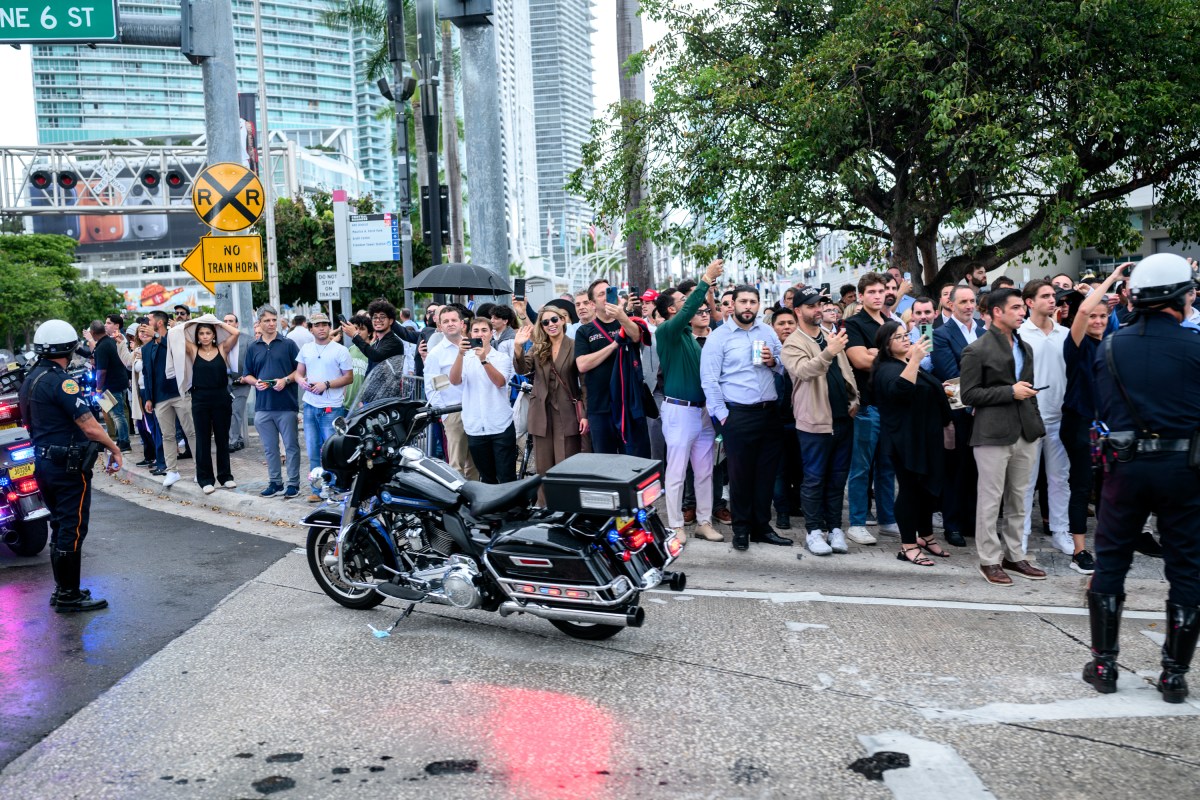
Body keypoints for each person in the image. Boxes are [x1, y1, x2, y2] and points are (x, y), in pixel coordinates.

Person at [1081, 253, 1200, 702]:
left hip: (1125, 467)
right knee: (1186, 566)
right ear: (1178, 297)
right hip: (1184, 468)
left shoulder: (1112, 346)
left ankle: (1103, 664)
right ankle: (1174, 675)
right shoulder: (1196, 346)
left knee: (1111, 561)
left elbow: (1104, 408)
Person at [19, 319, 122, 613]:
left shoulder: (31, 378)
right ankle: (69, 595)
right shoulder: (61, 381)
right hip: (66, 466)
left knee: (59, 524)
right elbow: (89, 425)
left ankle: (63, 590)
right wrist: (114, 448)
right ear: (68, 346)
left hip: (44, 462)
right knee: (73, 527)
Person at [959, 288, 1047, 586]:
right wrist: (1010, 391)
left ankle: (1014, 555)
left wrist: (1035, 424)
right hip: (992, 434)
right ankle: (989, 560)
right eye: (1017, 308)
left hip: (1025, 431)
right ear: (997, 311)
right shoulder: (977, 349)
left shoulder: (1025, 346)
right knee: (990, 501)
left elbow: (1029, 388)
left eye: (1023, 308)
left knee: (1020, 499)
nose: (1022, 312)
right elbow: (969, 394)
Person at [700, 284, 790, 551]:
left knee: (766, 474)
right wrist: (724, 416)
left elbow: (785, 364)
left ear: (758, 304)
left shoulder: (767, 332)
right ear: (734, 304)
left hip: (769, 412)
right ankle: (741, 530)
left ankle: (761, 527)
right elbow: (709, 380)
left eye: (753, 302)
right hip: (737, 414)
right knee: (740, 476)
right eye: (743, 302)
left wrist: (774, 362)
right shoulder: (719, 337)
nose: (748, 306)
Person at [782, 287, 861, 554]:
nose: (817, 309)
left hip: (842, 420)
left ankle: (835, 528)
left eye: (820, 304)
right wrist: (829, 351)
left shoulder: (830, 336)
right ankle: (814, 531)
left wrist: (854, 401)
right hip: (814, 422)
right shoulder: (793, 342)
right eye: (812, 305)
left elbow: (846, 372)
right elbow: (804, 371)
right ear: (798, 310)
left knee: (838, 479)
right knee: (814, 478)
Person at [655, 260, 725, 544]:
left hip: (703, 413)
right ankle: (676, 526)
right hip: (679, 411)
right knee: (675, 472)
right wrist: (706, 279)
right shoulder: (667, 332)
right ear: (672, 310)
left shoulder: (693, 338)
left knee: (705, 470)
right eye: (684, 301)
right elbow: (688, 309)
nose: (693, 306)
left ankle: (704, 522)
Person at [872, 321, 952, 567]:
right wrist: (916, 359)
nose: (905, 339)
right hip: (904, 440)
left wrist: (941, 388)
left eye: (906, 335)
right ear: (887, 344)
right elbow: (901, 391)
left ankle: (925, 536)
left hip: (926, 437)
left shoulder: (906, 363)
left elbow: (924, 387)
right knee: (910, 490)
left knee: (927, 489)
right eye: (898, 337)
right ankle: (907, 544)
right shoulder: (886, 368)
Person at [1016, 280, 1079, 565]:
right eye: (1046, 296)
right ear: (1030, 302)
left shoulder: (1066, 333)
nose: (1053, 300)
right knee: (1025, 482)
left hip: (1060, 417)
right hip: (1028, 418)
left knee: (1059, 478)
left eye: (1054, 296)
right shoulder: (1019, 333)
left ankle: (1060, 530)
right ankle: (1022, 534)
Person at [513, 299, 588, 500]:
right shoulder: (539, 347)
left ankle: (568, 508)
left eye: (554, 319)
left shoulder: (574, 346)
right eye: (545, 322)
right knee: (543, 469)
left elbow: (584, 383)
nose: (551, 325)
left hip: (567, 414)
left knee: (567, 466)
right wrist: (518, 348)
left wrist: (585, 415)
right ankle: (545, 511)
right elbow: (522, 368)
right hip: (541, 414)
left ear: (563, 320)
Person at [931, 285, 987, 547]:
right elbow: (950, 373)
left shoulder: (984, 331)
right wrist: (972, 402)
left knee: (978, 469)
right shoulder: (940, 334)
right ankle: (952, 524)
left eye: (972, 301)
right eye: (962, 301)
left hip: (985, 411)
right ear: (951, 305)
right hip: (958, 411)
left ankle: (971, 521)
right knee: (956, 469)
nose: (968, 306)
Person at [843, 272, 897, 544]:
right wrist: (889, 354)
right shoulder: (853, 323)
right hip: (866, 405)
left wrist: (877, 354)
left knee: (887, 467)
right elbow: (860, 360)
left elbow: (907, 355)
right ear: (861, 295)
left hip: (890, 405)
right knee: (861, 467)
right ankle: (857, 522)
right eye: (872, 292)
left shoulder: (891, 323)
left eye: (882, 291)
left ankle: (887, 519)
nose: (878, 296)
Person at [575, 279, 651, 457]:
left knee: (635, 460)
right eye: (601, 294)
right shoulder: (584, 331)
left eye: (610, 291)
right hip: (600, 407)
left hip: (628, 404)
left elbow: (635, 336)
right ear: (593, 304)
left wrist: (621, 316)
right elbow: (582, 364)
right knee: (605, 462)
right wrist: (613, 346)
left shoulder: (626, 322)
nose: (606, 296)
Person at [241, 306, 301, 498]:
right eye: (267, 320)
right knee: (270, 449)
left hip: (286, 405)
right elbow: (246, 374)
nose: (271, 323)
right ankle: (275, 483)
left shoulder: (289, 344)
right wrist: (255, 382)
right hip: (263, 407)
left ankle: (293, 484)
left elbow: (300, 371)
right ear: (259, 323)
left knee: (291, 446)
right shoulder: (253, 347)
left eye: (274, 320)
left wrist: (286, 380)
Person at [295, 313, 353, 501]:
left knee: (332, 450)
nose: (321, 328)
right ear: (310, 328)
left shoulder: (340, 350)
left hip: (331, 407)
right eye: (317, 325)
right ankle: (317, 489)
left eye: (325, 324)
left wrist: (326, 384)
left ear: (330, 327)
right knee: (312, 449)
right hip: (310, 405)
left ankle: (334, 487)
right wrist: (302, 382)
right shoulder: (306, 348)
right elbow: (298, 373)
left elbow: (348, 377)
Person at [450, 316, 516, 484]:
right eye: (476, 331)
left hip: (500, 425)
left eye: (484, 330)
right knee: (486, 477)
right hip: (475, 427)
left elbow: (500, 382)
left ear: (491, 333)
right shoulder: (465, 358)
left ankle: (512, 510)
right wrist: (460, 354)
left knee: (506, 476)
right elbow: (454, 380)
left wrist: (484, 359)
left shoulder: (501, 358)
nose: (480, 334)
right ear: (470, 334)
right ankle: (492, 510)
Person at [142, 310, 197, 488]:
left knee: (191, 432)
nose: (145, 323)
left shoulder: (173, 339)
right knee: (167, 435)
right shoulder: (146, 348)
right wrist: (148, 398)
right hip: (159, 398)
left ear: (158, 323)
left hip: (179, 393)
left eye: (149, 320)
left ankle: (200, 469)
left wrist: (158, 336)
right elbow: (147, 373)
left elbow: (178, 353)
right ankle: (172, 471)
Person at [185, 317, 240, 494]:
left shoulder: (222, 348)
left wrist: (216, 322)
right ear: (197, 336)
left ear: (214, 334)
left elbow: (236, 332)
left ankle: (225, 477)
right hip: (200, 398)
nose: (205, 336)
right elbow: (175, 335)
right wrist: (196, 321)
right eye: (201, 333)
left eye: (208, 333)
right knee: (202, 439)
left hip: (221, 396)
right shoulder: (193, 350)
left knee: (222, 438)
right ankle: (205, 479)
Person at [424, 306, 478, 480]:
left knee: (475, 463)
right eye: (445, 321)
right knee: (456, 464)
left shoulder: (474, 346)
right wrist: (445, 414)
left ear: (462, 324)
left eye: (453, 320)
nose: (450, 324)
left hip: (476, 410)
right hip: (453, 412)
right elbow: (431, 386)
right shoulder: (436, 354)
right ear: (439, 326)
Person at [770, 305, 803, 531]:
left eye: (790, 323)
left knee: (800, 467)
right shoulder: (767, 351)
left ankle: (795, 504)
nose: (786, 327)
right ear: (773, 327)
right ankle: (781, 510)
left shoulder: (804, 349)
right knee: (779, 469)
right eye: (781, 324)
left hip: (801, 418)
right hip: (774, 420)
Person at [339, 298, 421, 375]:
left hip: (390, 389)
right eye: (375, 317)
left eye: (382, 317)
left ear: (391, 321)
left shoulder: (394, 342)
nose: (378, 320)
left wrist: (355, 335)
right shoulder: (376, 344)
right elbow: (369, 373)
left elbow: (376, 356)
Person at [91, 317, 131, 452]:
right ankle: (121, 439)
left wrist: (98, 388)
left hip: (110, 385)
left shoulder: (102, 346)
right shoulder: (110, 342)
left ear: (92, 333)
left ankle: (124, 442)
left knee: (117, 415)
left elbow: (101, 371)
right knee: (117, 414)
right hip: (119, 382)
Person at [128, 323, 157, 468]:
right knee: (144, 425)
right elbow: (127, 363)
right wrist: (122, 344)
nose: (143, 334)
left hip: (153, 391)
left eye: (146, 331)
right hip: (141, 391)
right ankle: (151, 456)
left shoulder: (155, 347)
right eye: (140, 332)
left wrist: (144, 357)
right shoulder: (137, 350)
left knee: (154, 426)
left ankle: (159, 458)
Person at [224, 313, 250, 453]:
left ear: (237, 324)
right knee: (227, 412)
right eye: (225, 321)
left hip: (242, 381)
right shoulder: (219, 339)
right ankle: (237, 439)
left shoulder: (247, 340)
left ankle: (232, 442)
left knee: (236, 411)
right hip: (224, 381)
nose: (228, 323)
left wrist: (246, 376)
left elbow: (252, 360)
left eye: (231, 321)